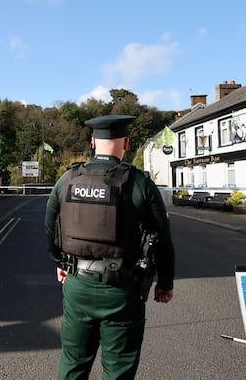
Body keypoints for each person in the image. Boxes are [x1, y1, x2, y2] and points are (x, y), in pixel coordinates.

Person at [45, 114, 175, 380]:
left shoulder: (67, 180)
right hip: (122, 291)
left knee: (73, 362)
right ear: (126, 142)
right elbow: (162, 237)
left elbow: (50, 227)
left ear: (93, 143)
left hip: (77, 285)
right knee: (118, 369)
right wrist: (165, 282)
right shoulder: (139, 183)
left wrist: (60, 263)